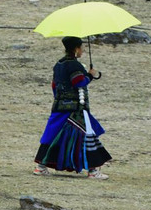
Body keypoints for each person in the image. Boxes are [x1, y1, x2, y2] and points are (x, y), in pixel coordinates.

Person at [35, 36, 110, 176]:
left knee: (52, 134)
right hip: (76, 109)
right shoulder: (75, 65)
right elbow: (79, 82)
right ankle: (93, 171)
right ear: (76, 49)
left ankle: (40, 167)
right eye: (82, 48)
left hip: (59, 106)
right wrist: (91, 76)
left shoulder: (59, 64)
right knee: (87, 136)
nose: (82, 50)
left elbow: (54, 85)